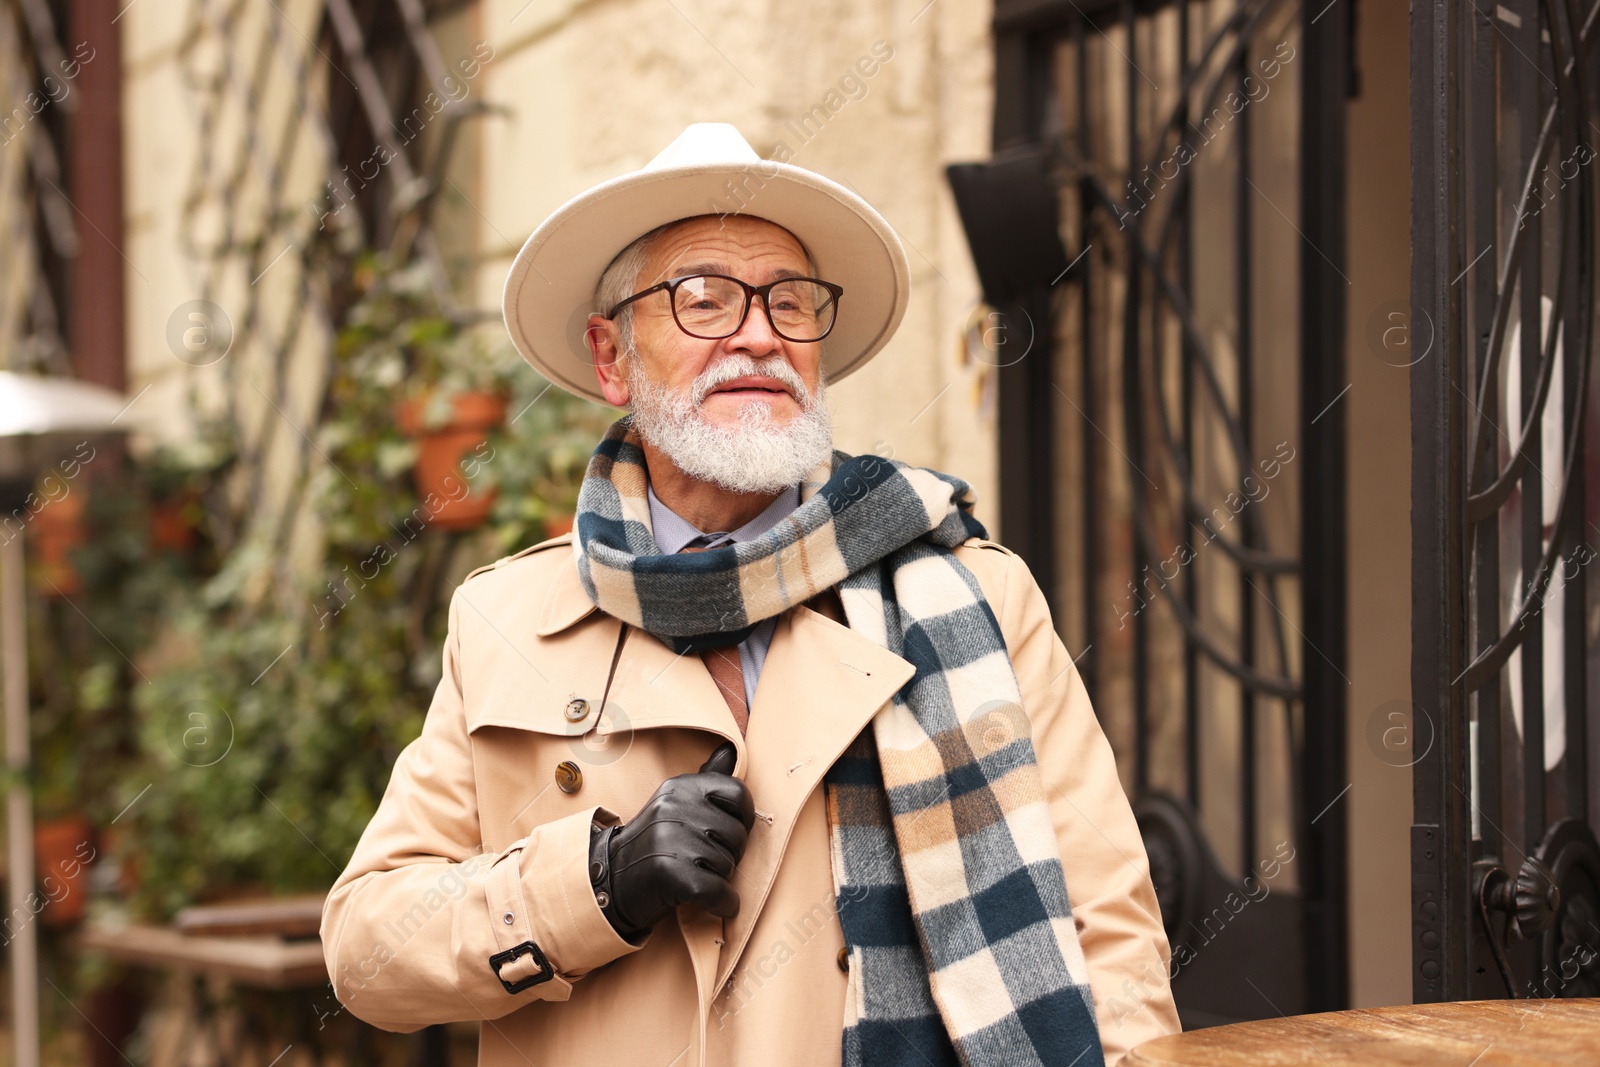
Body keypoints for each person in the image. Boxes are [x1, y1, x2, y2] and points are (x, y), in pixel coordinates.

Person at [321, 122, 1179, 1067]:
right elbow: (369, 951)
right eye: (702, 300)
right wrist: (596, 883)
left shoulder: (977, 593)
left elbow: (1112, 937)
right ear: (612, 358)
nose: (760, 335)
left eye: (791, 301)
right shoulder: (507, 623)